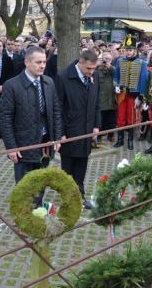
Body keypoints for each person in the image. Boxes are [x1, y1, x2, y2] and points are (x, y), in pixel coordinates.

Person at [0, 46, 62, 207]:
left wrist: (56, 138)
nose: (42, 66)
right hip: (22, 145)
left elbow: (56, 111)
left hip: (44, 143)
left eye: (44, 62)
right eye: (38, 62)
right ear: (27, 62)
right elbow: (5, 118)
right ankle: (24, 214)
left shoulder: (49, 82)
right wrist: (11, 147)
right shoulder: (11, 85)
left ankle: (38, 209)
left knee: (41, 180)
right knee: (24, 184)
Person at [55, 49, 101, 210]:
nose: (91, 72)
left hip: (87, 130)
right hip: (69, 132)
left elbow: (97, 103)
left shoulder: (94, 76)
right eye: (89, 68)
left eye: (94, 68)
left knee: (82, 165)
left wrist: (96, 125)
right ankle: (68, 199)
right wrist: (59, 133)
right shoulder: (63, 77)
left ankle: (80, 196)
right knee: (68, 168)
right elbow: (58, 108)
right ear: (80, 63)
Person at [113, 35, 148, 150]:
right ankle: (120, 139)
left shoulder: (142, 63)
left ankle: (130, 140)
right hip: (122, 94)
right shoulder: (119, 61)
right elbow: (116, 77)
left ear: (135, 51)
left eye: (130, 50)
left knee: (131, 118)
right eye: (126, 50)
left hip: (134, 95)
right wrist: (116, 86)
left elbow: (143, 80)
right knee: (121, 117)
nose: (128, 52)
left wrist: (141, 96)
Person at [97, 51, 117, 143]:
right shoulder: (97, 70)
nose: (106, 61)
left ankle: (111, 135)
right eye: (105, 59)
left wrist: (110, 67)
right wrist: (99, 65)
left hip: (112, 99)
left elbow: (117, 75)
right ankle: (99, 136)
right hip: (101, 100)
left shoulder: (113, 69)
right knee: (101, 120)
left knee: (111, 120)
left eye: (109, 59)